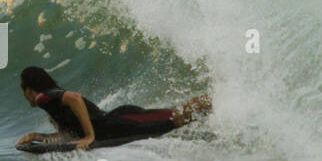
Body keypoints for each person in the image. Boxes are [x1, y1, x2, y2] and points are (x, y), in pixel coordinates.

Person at [16, 65, 211, 150]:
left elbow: (74, 98)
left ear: (29, 89)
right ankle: (223, 101)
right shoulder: (51, 105)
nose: (23, 96)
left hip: (117, 124)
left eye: (22, 89)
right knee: (177, 116)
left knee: (176, 118)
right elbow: (67, 136)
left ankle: (222, 100)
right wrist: (37, 137)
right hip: (117, 122)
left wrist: (89, 136)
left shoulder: (43, 97)